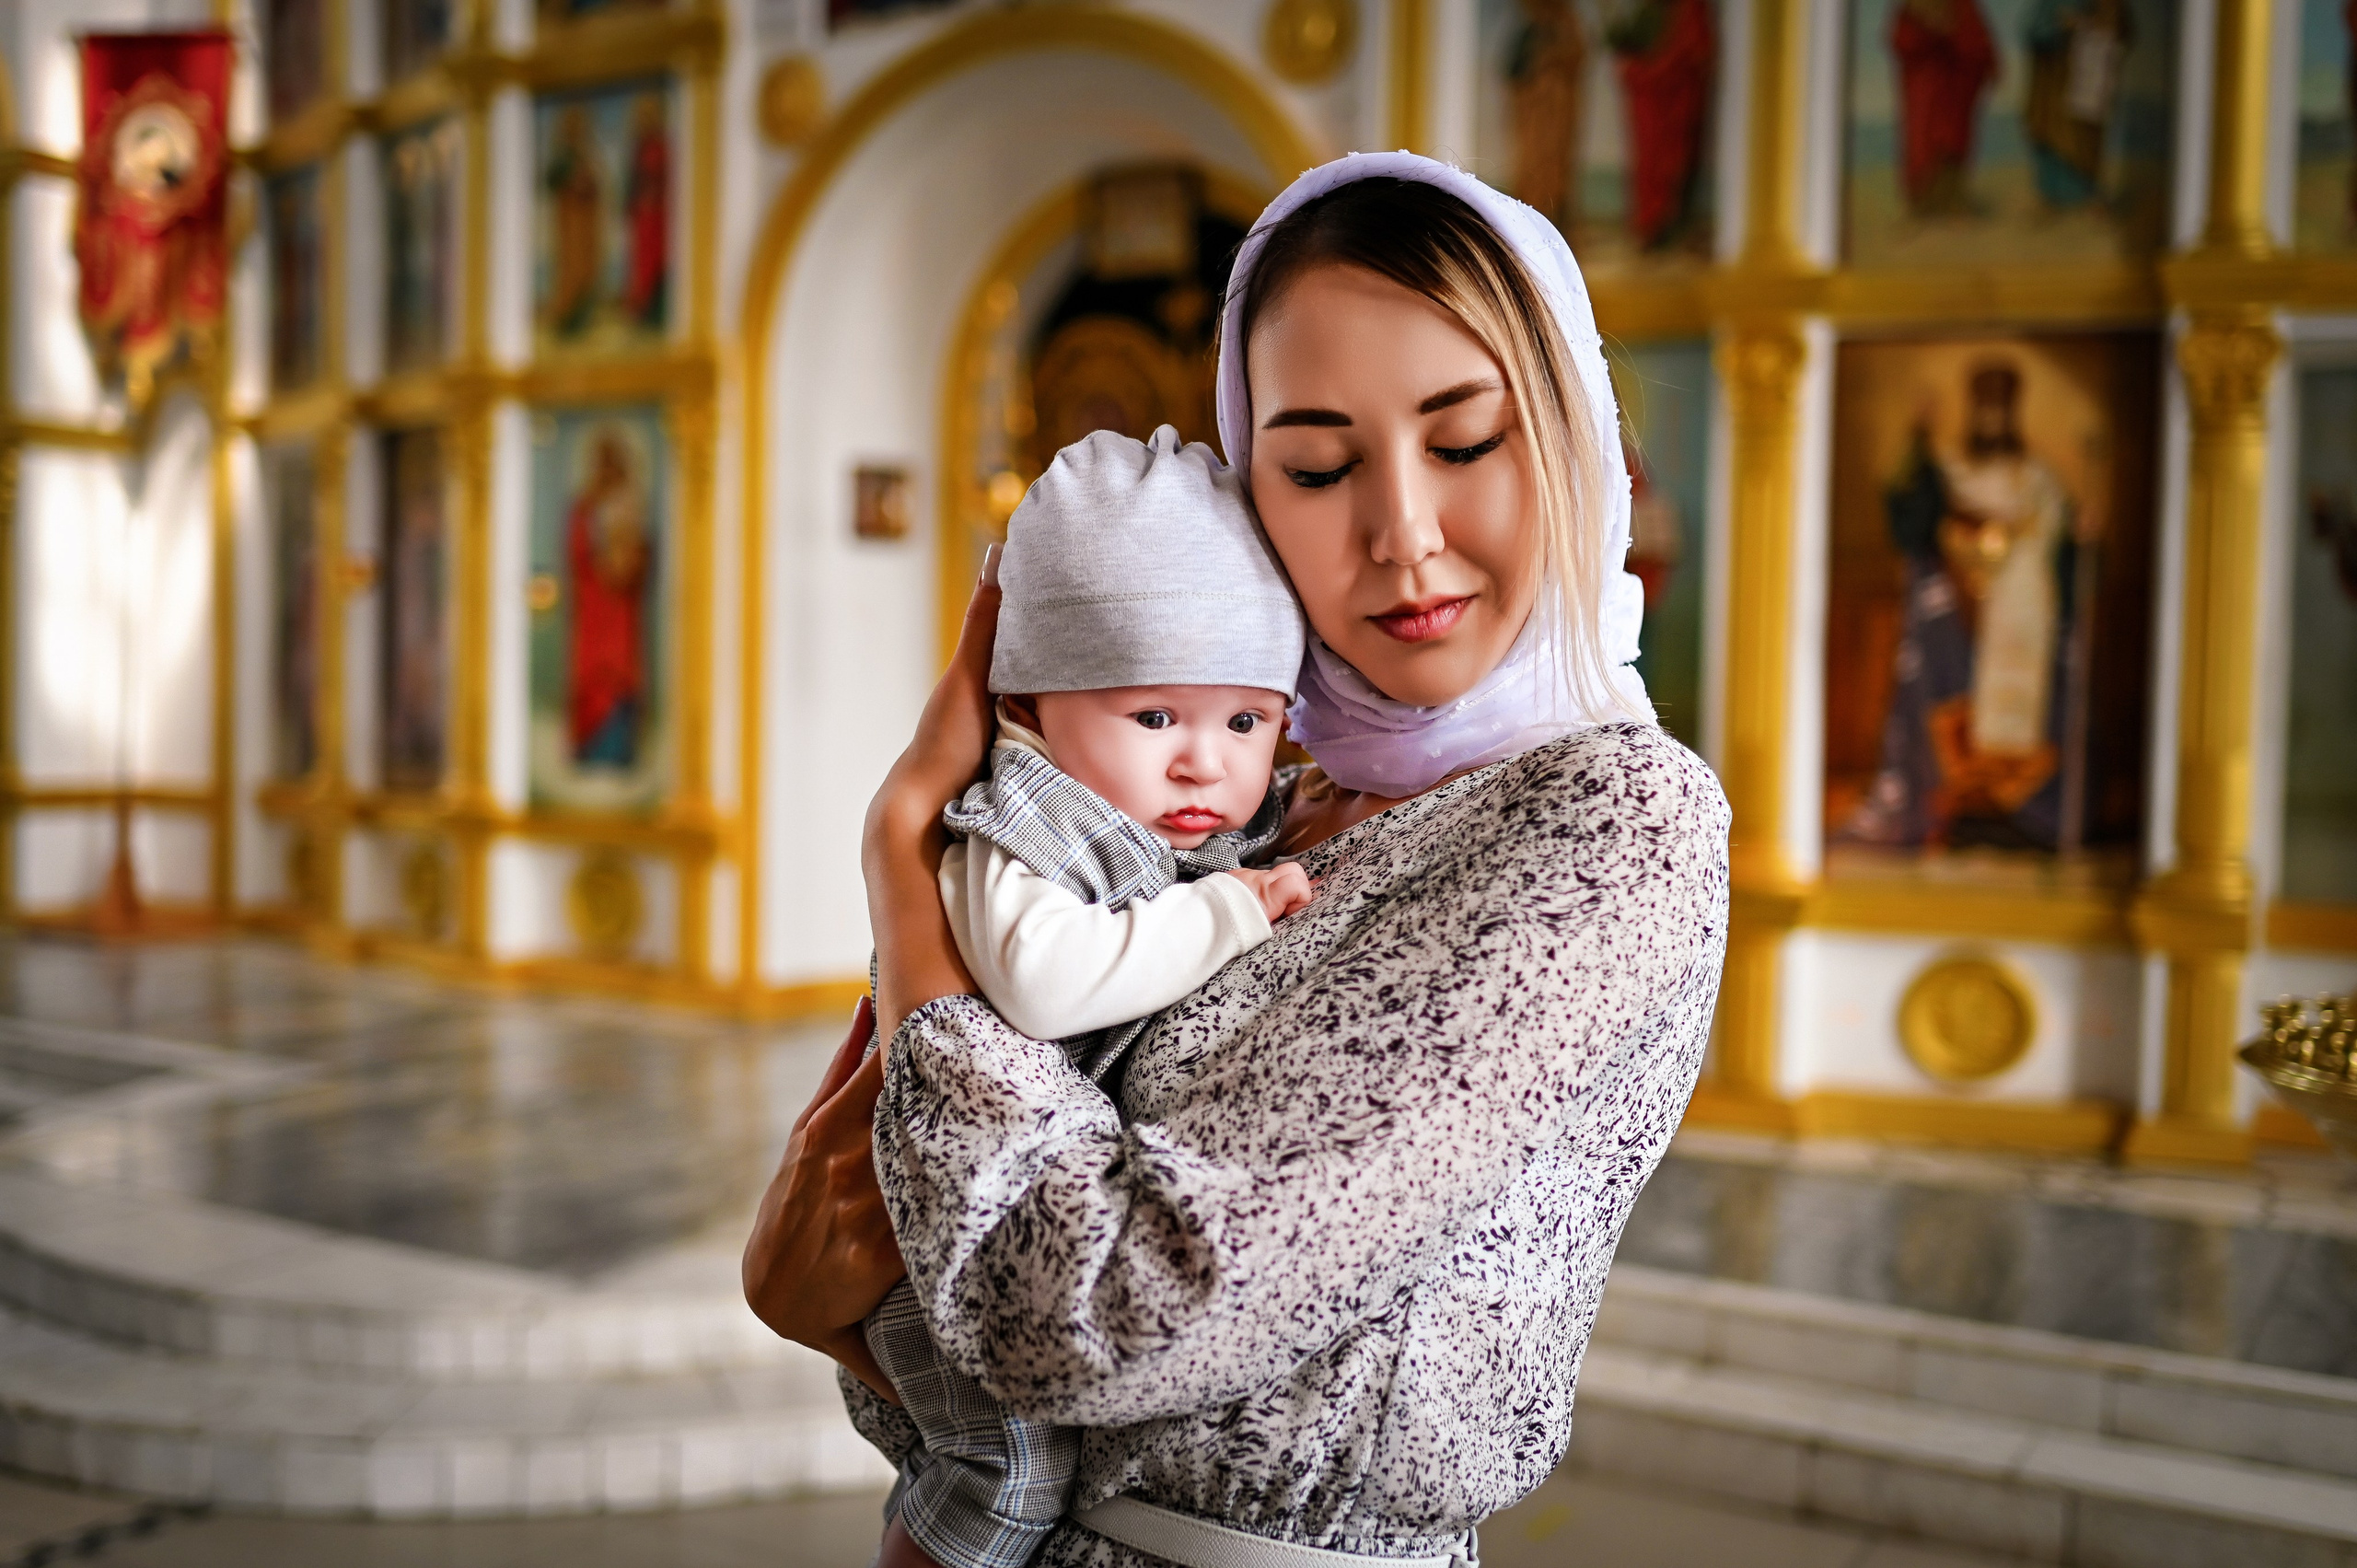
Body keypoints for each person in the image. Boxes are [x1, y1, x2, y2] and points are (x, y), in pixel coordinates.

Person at [745, 153, 1729, 1568]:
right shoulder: (1281, 797)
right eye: (1318, 467)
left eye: (1465, 442)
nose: (1403, 536)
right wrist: (837, 1310)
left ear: (1574, 443)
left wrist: (910, 872)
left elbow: (1097, 1315)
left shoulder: (1614, 820)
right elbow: (973, 1299)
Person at [857, 424, 1315, 1568]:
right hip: (939, 1234)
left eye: (1247, 719)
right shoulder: (1025, 827)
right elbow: (1044, 980)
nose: (1204, 761)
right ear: (1027, 705)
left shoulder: (1174, 817)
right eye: (1154, 716)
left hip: (1031, 1219)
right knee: (1005, 1473)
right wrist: (1228, 913)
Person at [1889, 0, 1998, 216]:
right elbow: (1902, 40)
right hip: (1924, 87)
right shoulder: (1912, 6)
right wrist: (1930, 29)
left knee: (1953, 142)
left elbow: (1976, 40)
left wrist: (1951, 32)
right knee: (1924, 143)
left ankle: (1952, 201)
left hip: (1954, 88)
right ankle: (1925, 203)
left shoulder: (1962, 5)